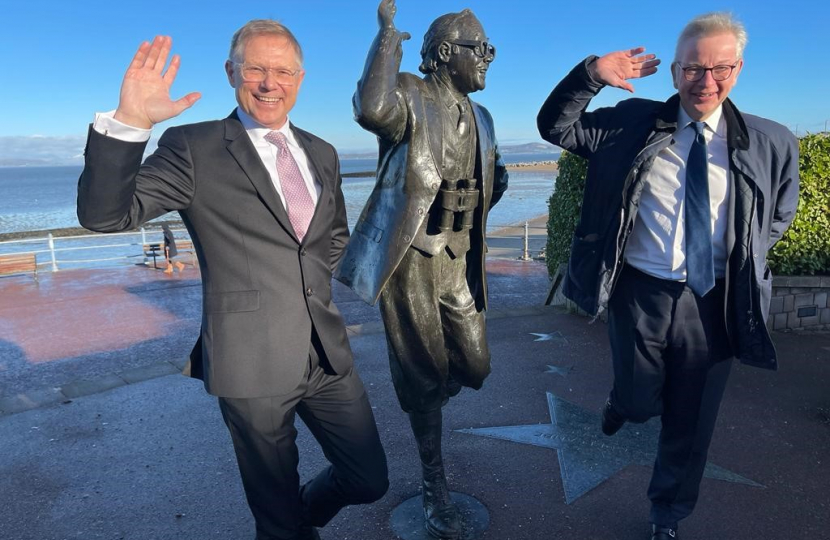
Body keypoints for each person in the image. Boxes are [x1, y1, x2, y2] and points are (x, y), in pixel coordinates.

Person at [77, 20, 388, 540]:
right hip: (251, 361)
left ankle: (303, 510)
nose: (271, 83)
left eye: (283, 71)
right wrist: (131, 121)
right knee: (277, 521)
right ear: (231, 73)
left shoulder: (323, 152)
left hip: (327, 355)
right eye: (257, 69)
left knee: (369, 479)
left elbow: (333, 237)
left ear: (301, 78)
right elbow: (106, 216)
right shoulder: (193, 146)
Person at [537, 12, 799, 540]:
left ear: (739, 68)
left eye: (720, 68)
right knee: (637, 401)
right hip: (642, 292)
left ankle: (667, 515)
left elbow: (780, 212)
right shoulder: (629, 123)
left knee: (691, 421)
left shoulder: (771, 140)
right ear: (675, 70)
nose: (706, 82)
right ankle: (622, 403)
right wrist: (590, 72)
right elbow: (556, 127)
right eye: (693, 69)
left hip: (717, 301)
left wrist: (744, 258)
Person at [335, 1, 507, 538]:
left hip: (457, 257)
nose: (487, 59)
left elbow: (492, 177)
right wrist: (388, 38)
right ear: (443, 54)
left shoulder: (483, 117)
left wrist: (477, 202)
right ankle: (435, 489)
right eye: (478, 49)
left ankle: (424, 391)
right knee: (423, 375)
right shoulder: (410, 92)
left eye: (490, 50)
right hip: (411, 258)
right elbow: (371, 108)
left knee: (474, 366)